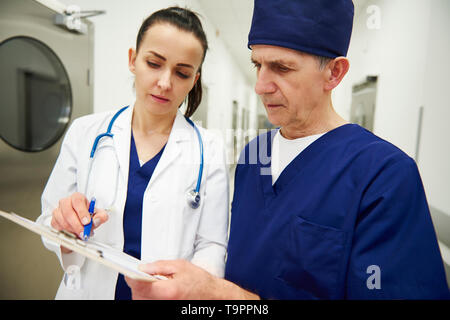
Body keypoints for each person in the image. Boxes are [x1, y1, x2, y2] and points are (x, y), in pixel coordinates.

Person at [125, 0, 450, 299]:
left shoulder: (384, 176)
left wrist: (221, 296)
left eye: (282, 68)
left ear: (334, 73)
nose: (261, 86)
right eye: (258, 65)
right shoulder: (254, 156)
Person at [36, 6, 229, 300]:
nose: (165, 82)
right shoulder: (85, 132)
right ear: (132, 60)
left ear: (194, 80)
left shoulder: (210, 150)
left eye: (181, 72)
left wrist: (190, 286)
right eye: (154, 63)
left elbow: (213, 244)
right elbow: (49, 220)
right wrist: (64, 224)